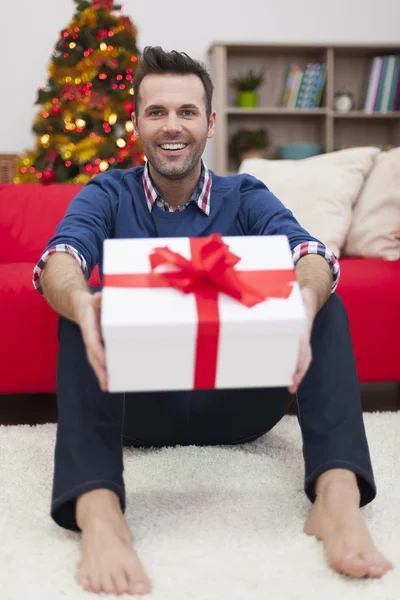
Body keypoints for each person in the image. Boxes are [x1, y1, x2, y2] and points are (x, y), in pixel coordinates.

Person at [34, 46, 392, 596]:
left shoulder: (244, 195)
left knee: (322, 296)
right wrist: (80, 299)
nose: (171, 126)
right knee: (82, 303)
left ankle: (337, 497)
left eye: (187, 112)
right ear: (137, 123)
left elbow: (310, 252)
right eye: (156, 113)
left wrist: (304, 296)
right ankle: (99, 509)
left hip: (241, 402)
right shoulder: (106, 193)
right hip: (138, 408)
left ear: (209, 123)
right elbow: (61, 256)